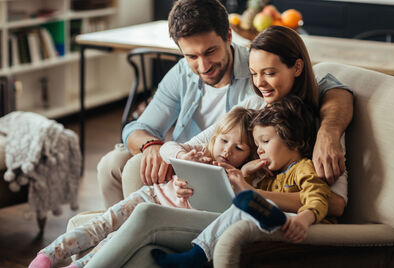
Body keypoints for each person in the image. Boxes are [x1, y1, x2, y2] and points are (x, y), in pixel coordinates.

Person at [80, 25, 353, 268]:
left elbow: (336, 204)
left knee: (145, 215)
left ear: (296, 67)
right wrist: (186, 171)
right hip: (227, 207)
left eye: (269, 73)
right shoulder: (253, 106)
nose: (259, 83)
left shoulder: (322, 123)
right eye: (255, 74)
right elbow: (186, 148)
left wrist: (254, 194)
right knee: (144, 247)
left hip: (259, 218)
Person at [97, 0, 353, 209]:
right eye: (191, 56)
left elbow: (328, 84)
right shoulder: (243, 93)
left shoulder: (261, 73)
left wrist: (329, 130)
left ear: (229, 36)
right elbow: (138, 128)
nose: (203, 66)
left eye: (210, 52)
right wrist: (156, 147)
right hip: (194, 164)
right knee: (117, 165)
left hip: (232, 180)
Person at [28, 107, 258, 268]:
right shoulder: (197, 153)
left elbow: (223, 209)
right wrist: (183, 162)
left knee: (114, 240)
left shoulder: (233, 178)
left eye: (239, 148)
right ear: (215, 138)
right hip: (150, 195)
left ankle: (79, 266)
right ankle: (48, 255)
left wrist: (241, 177)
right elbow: (168, 148)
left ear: (250, 154)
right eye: (224, 141)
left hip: (166, 215)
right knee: (103, 223)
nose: (227, 151)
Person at [151, 96, 334, 267]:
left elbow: (318, 196)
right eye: (257, 144)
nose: (260, 151)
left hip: (304, 225)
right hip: (273, 225)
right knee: (243, 205)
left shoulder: (304, 168)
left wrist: (305, 218)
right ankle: (268, 214)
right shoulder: (270, 176)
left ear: (294, 141)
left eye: (265, 141)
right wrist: (242, 175)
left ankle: (197, 254)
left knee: (248, 205)